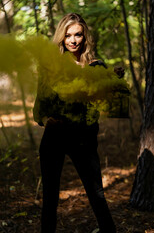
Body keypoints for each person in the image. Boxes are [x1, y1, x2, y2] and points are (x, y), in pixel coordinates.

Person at [33, 13, 117, 233]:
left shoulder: (96, 66)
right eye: (68, 35)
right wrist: (46, 118)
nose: (73, 40)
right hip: (55, 138)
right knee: (50, 198)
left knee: (97, 195)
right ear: (61, 38)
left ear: (84, 36)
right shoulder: (51, 66)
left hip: (84, 140)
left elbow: (105, 105)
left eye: (77, 34)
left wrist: (111, 82)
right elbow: (39, 106)